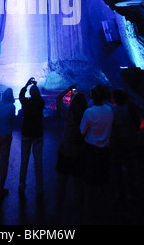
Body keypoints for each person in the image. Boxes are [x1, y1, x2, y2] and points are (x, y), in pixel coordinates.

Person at [55, 85, 88, 217]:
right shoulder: (87, 116)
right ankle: (80, 211)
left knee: (61, 182)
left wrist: (69, 88)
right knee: (78, 183)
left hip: (65, 151)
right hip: (79, 152)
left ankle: (58, 211)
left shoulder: (69, 115)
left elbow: (58, 99)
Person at [80, 84, 114, 185]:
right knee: (103, 180)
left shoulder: (89, 112)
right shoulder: (110, 110)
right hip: (105, 150)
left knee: (91, 181)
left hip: (91, 150)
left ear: (92, 96)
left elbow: (82, 131)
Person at [18, 77, 45, 200]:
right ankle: (39, 187)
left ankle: (22, 185)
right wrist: (35, 87)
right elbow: (39, 98)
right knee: (38, 162)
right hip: (38, 134)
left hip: (26, 134)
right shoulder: (41, 103)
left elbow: (21, 96)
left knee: (24, 160)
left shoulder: (27, 103)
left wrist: (27, 84)